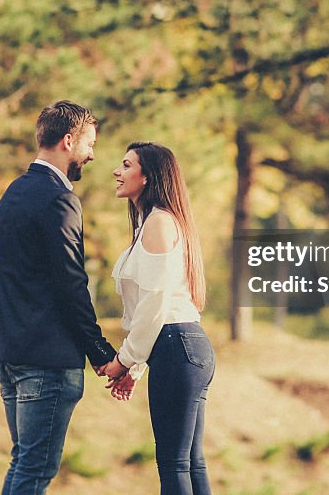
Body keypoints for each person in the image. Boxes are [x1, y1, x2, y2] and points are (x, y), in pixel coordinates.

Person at [0, 100, 117, 495]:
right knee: (34, 471)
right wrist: (101, 352)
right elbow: (70, 283)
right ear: (68, 140)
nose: (92, 154)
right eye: (89, 144)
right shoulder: (60, 199)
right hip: (46, 360)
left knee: (24, 462)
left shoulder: (13, 193)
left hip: (10, 354)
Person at [101, 142, 215, 495]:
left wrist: (124, 360)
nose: (117, 172)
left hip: (175, 346)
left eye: (126, 165)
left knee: (174, 464)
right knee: (189, 462)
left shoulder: (158, 223)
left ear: (148, 176)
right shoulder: (156, 223)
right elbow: (152, 309)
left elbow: (154, 305)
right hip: (183, 347)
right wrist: (135, 368)